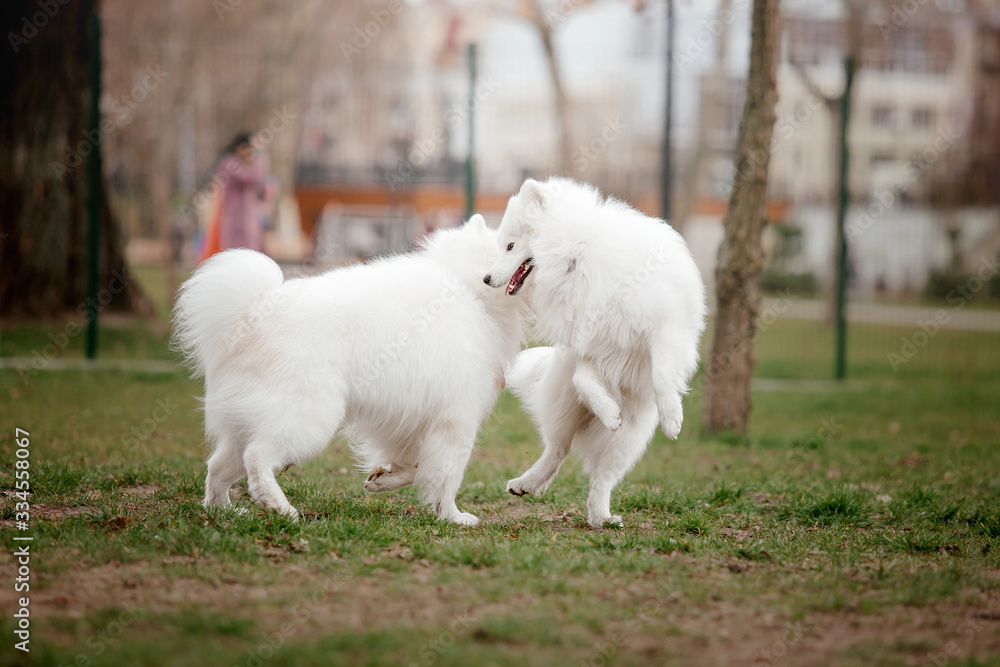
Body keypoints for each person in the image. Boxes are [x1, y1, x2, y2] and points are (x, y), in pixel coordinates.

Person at [216, 131, 267, 253]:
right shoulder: (229, 163)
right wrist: (256, 162)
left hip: (249, 213)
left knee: (252, 244)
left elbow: (257, 179)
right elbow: (248, 178)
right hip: (233, 212)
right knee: (234, 246)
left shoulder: (249, 163)